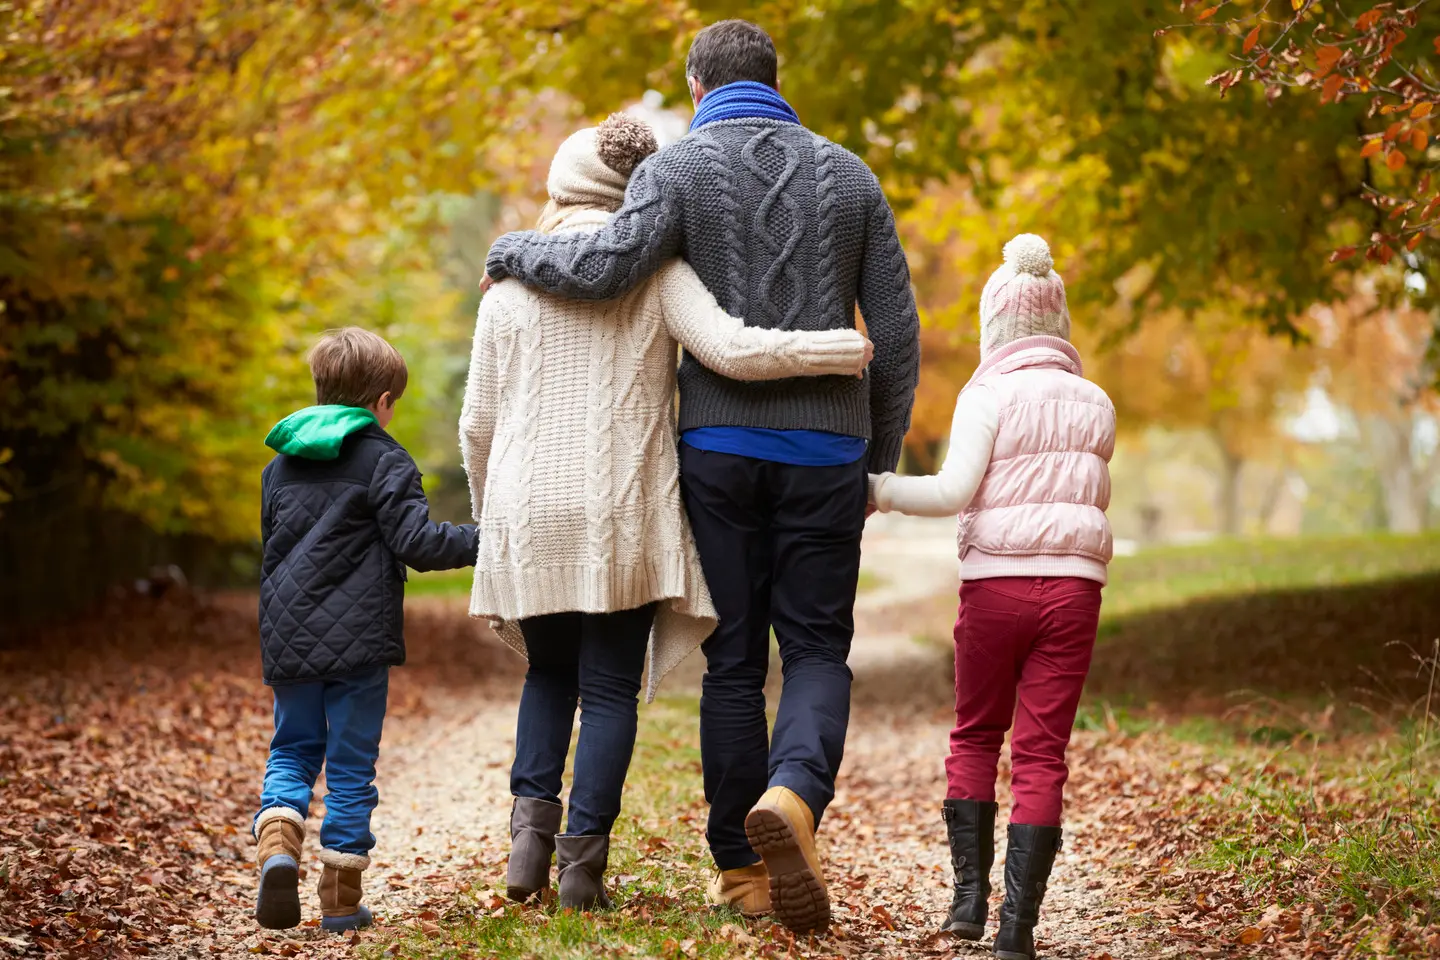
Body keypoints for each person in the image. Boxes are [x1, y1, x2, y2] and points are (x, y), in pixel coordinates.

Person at [479, 20, 920, 934]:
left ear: (694, 84)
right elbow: (899, 334)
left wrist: (511, 251)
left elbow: (603, 269)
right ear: (776, 79)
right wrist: (878, 454)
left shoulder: (673, 171)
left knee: (732, 660)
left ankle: (741, 872)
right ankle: (794, 795)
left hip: (717, 448)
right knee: (816, 650)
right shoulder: (852, 175)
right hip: (828, 449)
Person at [868, 235, 1115, 960]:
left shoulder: (987, 394)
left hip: (995, 588)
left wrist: (878, 490)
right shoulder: (1095, 402)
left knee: (976, 734)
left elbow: (951, 492)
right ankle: (1019, 931)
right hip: (1074, 592)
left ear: (994, 324)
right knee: (1043, 756)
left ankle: (970, 904)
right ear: (1058, 320)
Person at [252, 328, 479, 932]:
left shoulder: (280, 465)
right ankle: (340, 900)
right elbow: (418, 544)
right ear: (380, 401)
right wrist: (486, 538)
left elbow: (272, 547)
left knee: (293, 748)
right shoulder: (385, 459)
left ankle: (277, 839)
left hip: (288, 633)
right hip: (357, 640)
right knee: (351, 763)